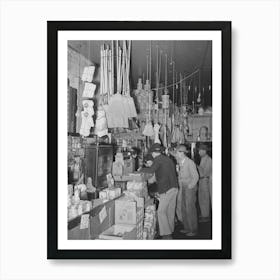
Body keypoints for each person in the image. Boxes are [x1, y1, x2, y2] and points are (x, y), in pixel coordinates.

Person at [140, 143, 178, 239]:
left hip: (166, 189)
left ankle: (166, 235)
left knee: (161, 212)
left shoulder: (158, 159)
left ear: (153, 152)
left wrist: (141, 169)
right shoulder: (167, 159)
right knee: (170, 211)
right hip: (174, 188)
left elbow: (150, 170)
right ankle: (171, 230)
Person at [176, 144, 199, 236]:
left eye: (177, 152)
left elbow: (196, 177)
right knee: (184, 208)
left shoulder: (190, 162)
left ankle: (193, 229)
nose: (176, 154)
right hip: (183, 187)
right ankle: (187, 227)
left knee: (190, 209)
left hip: (190, 187)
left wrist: (190, 186)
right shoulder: (180, 161)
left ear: (182, 153)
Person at [197, 144, 212, 222]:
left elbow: (204, 172)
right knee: (201, 198)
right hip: (202, 180)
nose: (199, 152)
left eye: (200, 150)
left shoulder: (208, 159)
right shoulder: (203, 159)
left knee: (205, 198)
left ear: (204, 151)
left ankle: (206, 216)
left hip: (205, 180)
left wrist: (196, 166)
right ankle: (204, 213)